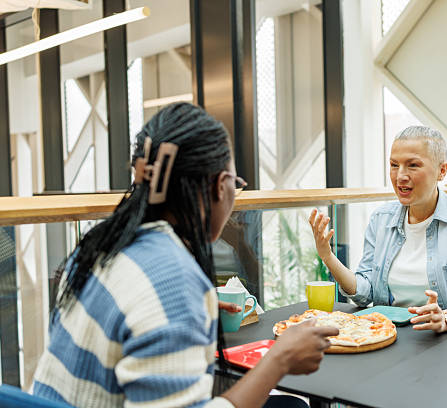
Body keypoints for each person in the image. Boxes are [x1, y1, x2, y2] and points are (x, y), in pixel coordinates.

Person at [33, 103, 339, 408]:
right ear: (220, 186)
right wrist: (279, 359)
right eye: (237, 184)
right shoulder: (173, 280)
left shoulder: (100, 245)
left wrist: (192, 309)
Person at [309, 126, 447, 333]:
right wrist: (328, 256)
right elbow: (366, 292)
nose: (400, 175)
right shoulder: (381, 219)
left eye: (413, 165)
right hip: (389, 336)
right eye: (394, 165)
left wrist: (446, 319)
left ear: (442, 171)